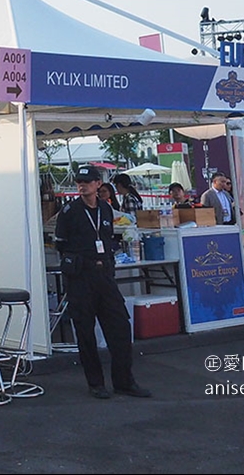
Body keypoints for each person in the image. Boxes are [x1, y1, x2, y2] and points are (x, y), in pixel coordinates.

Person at [53, 164, 151, 399]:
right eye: (79, 182)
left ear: (98, 184)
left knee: (119, 327)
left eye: (87, 182)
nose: (82, 185)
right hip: (81, 278)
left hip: (104, 276)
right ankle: (95, 383)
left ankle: (124, 381)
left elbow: (107, 238)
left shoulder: (106, 210)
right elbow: (60, 243)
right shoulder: (69, 211)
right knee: (85, 331)